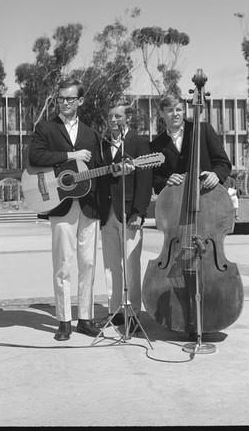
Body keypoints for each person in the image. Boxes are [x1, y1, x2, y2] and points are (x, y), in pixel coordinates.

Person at [28, 78, 104, 341]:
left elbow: (101, 167)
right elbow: (35, 158)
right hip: (59, 204)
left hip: (89, 205)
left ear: (80, 101)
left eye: (70, 99)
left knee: (89, 263)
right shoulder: (46, 128)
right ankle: (63, 320)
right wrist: (70, 156)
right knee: (62, 264)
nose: (65, 103)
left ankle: (85, 318)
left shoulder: (92, 133)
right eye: (61, 98)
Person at [97, 100, 152, 332]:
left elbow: (145, 180)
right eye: (110, 116)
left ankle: (133, 314)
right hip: (106, 214)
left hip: (129, 213)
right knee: (110, 266)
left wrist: (140, 212)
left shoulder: (139, 142)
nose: (113, 120)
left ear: (128, 118)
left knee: (131, 265)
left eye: (118, 116)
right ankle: (115, 312)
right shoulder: (102, 143)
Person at [150, 94, 232, 195]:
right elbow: (155, 178)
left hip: (207, 196)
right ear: (161, 113)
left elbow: (223, 163)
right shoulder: (155, 144)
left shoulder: (204, 130)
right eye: (170, 110)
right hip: (175, 202)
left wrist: (215, 174)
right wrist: (165, 181)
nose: (175, 114)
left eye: (178, 110)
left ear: (184, 110)